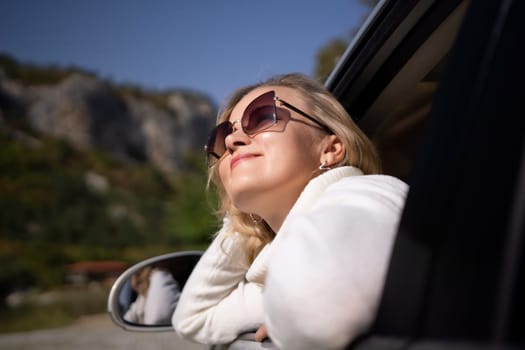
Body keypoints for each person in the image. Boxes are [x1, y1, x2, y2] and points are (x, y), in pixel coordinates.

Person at [172, 73, 408, 349]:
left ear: (330, 149)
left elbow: (321, 306)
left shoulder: (369, 193)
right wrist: (242, 219)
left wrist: (283, 319)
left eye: (260, 117)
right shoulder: (273, 276)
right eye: (223, 135)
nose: (232, 141)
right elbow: (191, 319)